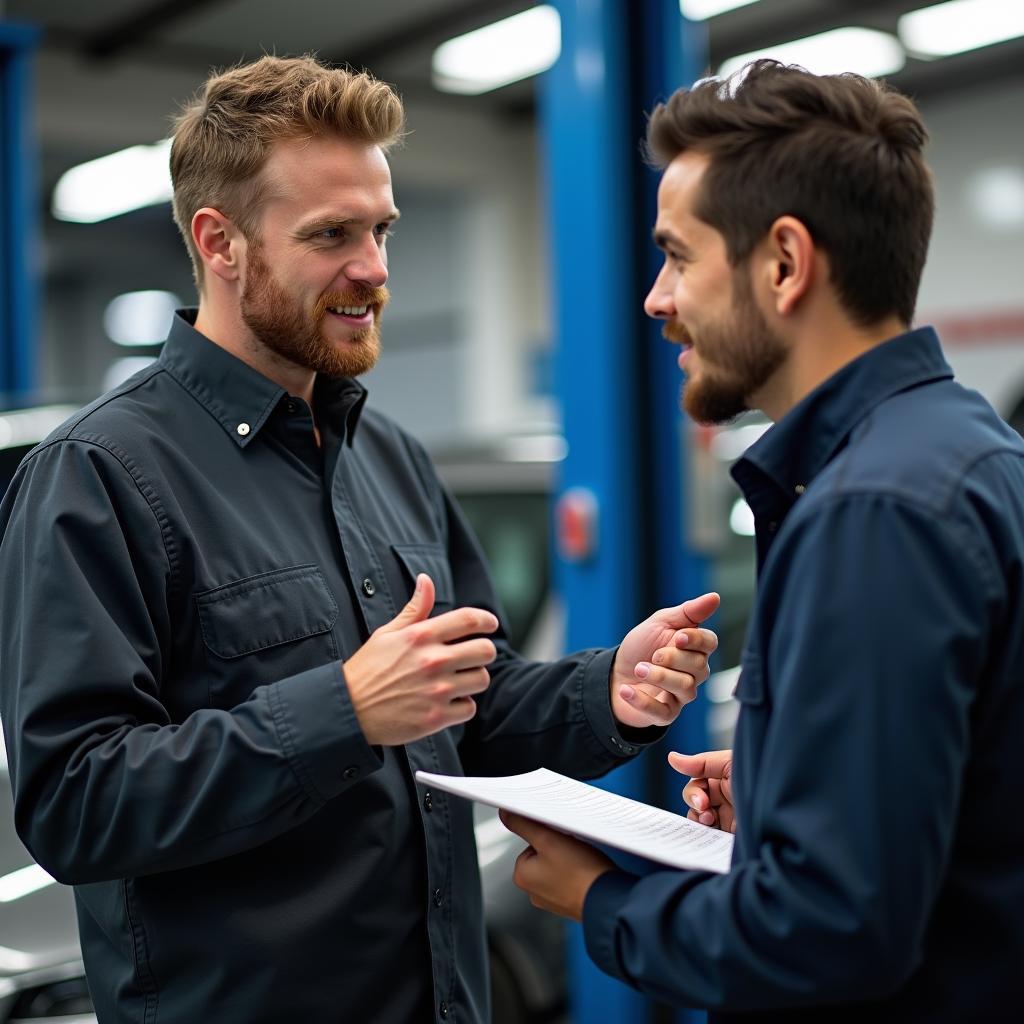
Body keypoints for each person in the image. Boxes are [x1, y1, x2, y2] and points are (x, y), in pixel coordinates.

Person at [0, 55, 721, 1024]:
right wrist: (340, 709)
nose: (374, 268)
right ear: (221, 242)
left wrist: (609, 689)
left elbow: (472, 697)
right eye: (331, 234)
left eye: (380, 229)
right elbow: (74, 803)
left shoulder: (390, 456)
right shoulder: (101, 475)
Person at [501, 59, 1024, 1021]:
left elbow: (828, 938)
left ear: (784, 263)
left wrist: (601, 900)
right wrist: (794, 797)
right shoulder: (968, 453)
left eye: (678, 256)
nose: (657, 300)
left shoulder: (875, 510)